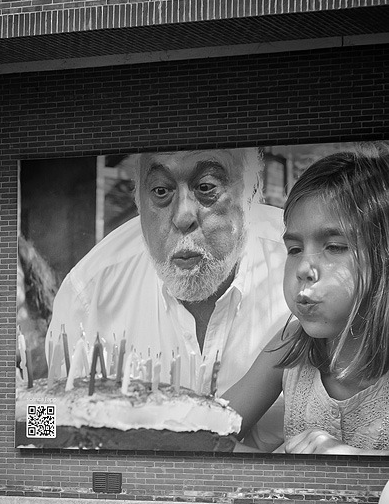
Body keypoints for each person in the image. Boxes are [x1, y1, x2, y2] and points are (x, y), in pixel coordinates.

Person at [46, 148, 289, 451]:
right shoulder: (89, 291)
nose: (183, 216)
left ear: (253, 192)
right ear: (138, 200)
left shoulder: (302, 271)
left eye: (206, 187)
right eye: (161, 191)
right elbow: (45, 430)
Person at [222, 147, 389, 455]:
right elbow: (207, 435)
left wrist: (354, 460)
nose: (303, 268)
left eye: (334, 247)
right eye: (295, 249)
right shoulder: (291, 345)